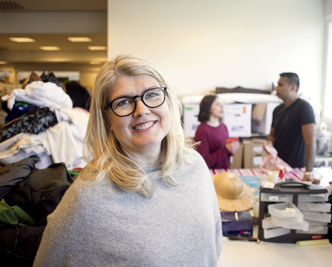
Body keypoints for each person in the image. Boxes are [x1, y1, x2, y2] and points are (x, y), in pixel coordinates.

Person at [33, 55, 222, 266]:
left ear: (168, 100)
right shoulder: (86, 200)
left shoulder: (195, 165)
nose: (141, 110)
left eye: (151, 94)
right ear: (107, 119)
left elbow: (212, 248)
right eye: (123, 102)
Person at [267, 72, 316, 180]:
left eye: (280, 85)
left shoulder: (304, 109)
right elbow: (272, 136)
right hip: (278, 168)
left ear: (293, 88)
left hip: (296, 169)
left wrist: (308, 172)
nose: (276, 88)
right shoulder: (277, 110)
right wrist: (268, 143)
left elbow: (310, 142)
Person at [194, 95, 240, 169]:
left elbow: (225, 153)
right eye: (218, 104)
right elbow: (203, 161)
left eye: (222, 104)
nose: (222, 107)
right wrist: (226, 149)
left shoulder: (223, 126)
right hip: (211, 174)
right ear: (208, 107)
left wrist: (232, 148)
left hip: (224, 171)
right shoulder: (201, 130)